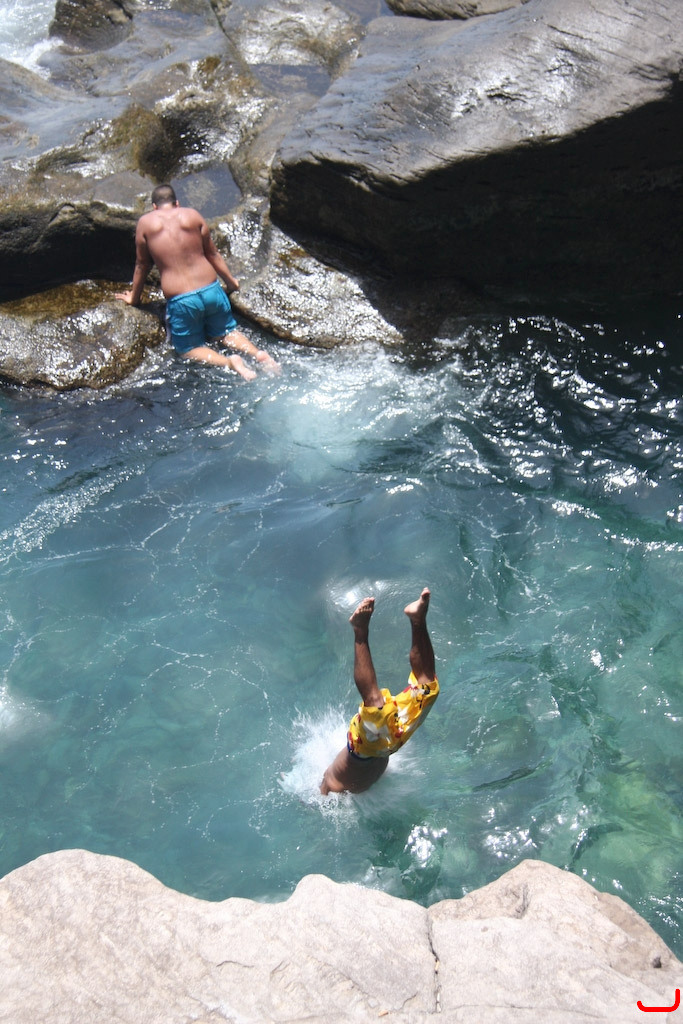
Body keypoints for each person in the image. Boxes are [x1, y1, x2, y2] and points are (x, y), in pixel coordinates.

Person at [116, 184, 279, 378]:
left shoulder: (145, 223)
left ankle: (229, 362)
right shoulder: (192, 215)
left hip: (182, 299)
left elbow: (142, 264)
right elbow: (212, 253)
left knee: (188, 349)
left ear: (154, 207)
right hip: (211, 290)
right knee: (226, 332)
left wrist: (134, 298)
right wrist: (230, 282)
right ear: (177, 203)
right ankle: (258, 354)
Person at [320, 587, 439, 795]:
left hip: (365, 748)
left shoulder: (329, 789)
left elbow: (321, 793)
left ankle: (360, 630)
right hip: (390, 743)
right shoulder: (339, 786)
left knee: (377, 710)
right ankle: (417, 618)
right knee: (428, 689)